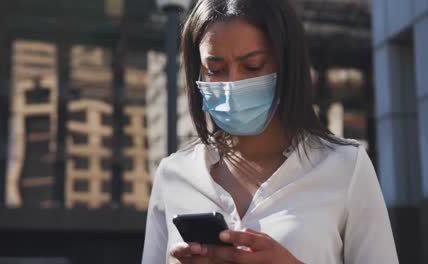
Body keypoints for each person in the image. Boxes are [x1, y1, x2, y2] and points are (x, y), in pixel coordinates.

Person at [142, 0, 399, 263]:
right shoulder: (173, 175)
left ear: (286, 65)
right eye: (215, 69)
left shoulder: (346, 167)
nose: (233, 83)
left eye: (252, 66)